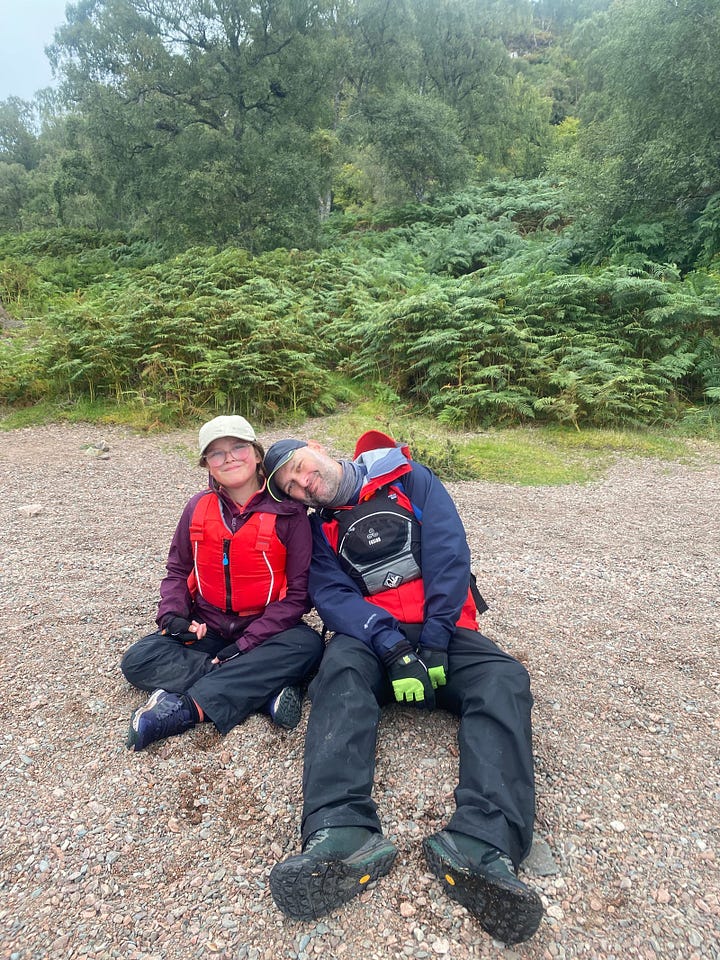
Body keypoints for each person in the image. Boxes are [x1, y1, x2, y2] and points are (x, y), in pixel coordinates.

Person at [263, 430, 543, 945]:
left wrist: (434, 645)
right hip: (374, 637)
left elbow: (449, 551)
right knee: (339, 674)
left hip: (442, 632)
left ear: (321, 450)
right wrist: (393, 651)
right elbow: (331, 596)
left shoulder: (411, 478)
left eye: (302, 468)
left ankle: (483, 843)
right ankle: (339, 831)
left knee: (505, 678)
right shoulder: (316, 527)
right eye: (293, 487)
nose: (305, 483)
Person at [121, 415, 324, 752]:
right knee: (138, 659)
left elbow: (299, 596)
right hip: (209, 627)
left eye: (238, 447)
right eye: (217, 453)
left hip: (264, 631)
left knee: (308, 646)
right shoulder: (197, 507)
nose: (229, 458)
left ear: (257, 454)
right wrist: (172, 618)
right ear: (208, 466)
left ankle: (184, 710)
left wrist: (244, 647)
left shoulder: (292, 515)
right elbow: (176, 570)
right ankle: (262, 692)